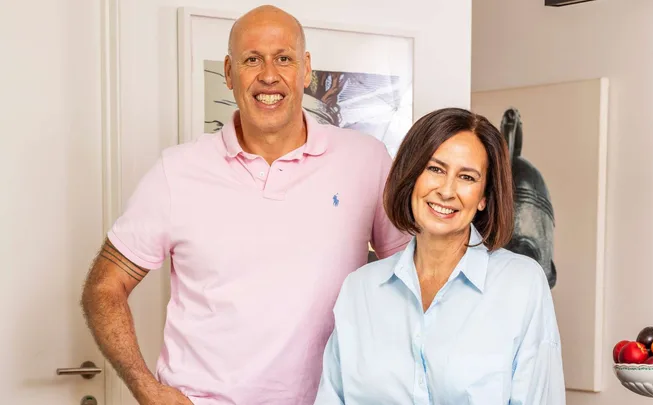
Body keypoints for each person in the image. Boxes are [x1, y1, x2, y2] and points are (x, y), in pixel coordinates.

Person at [80, 5, 410, 405]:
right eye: (252, 59)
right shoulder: (177, 171)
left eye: (283, 58)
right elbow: (104, 286)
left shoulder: (368, 161)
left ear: (305, 69)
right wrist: (146, 388)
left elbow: (413, 280)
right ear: (229, 72)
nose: (268, 75)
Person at [313, 108, 566, 404]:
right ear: (412, 177)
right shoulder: (360, 290)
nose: (447, 191)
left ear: (484, 197)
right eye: (435, 169)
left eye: (467, 177)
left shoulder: (521, 285)